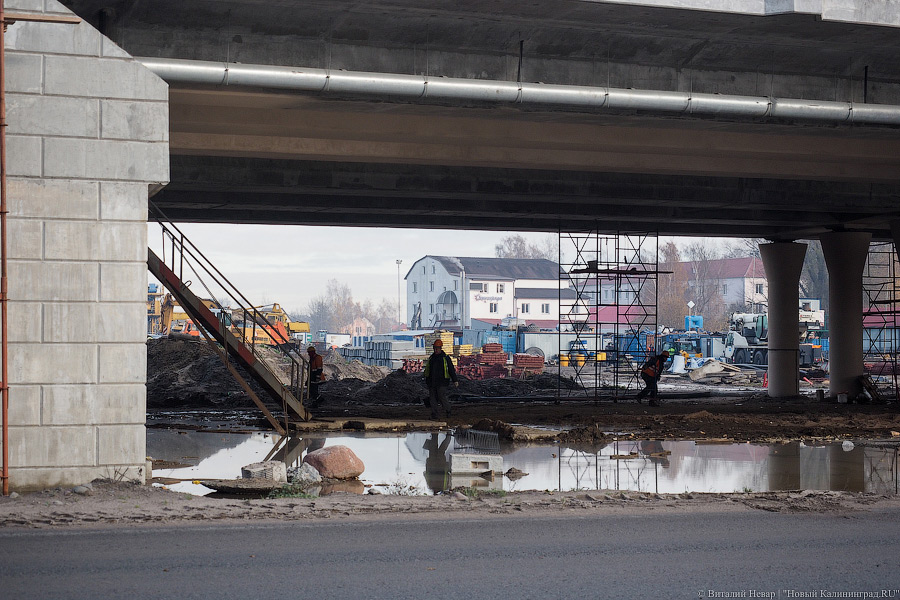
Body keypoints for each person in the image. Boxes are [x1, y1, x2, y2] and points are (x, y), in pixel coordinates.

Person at [424, 339, 458, 419]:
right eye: (434, 348)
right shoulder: (432, 358)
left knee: (441, 396)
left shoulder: (445, 358)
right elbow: (428, 370)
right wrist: (427, 380)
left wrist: (455, 380)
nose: (435, 350)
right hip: (432, 382)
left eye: (437, 348)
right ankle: (434, 414)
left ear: (440, 348)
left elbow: (451, 369)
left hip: (442, 382)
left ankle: (448, 410)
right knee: (433, 398)